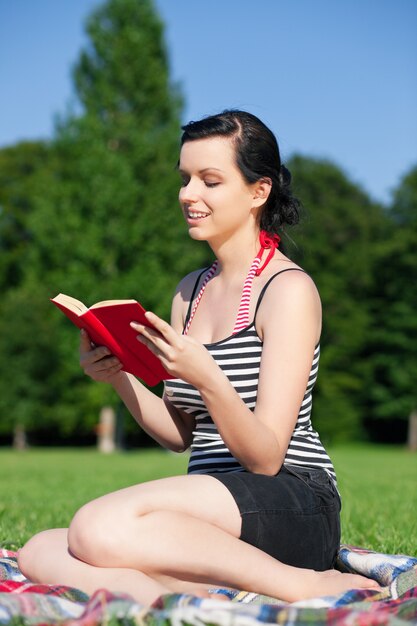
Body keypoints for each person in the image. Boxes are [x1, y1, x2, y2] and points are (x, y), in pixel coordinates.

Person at [18, 110, 380, 605]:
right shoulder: (190, 292)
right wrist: (121, 375)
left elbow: (266, 456)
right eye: (185, 179)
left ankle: (301, 583)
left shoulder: (288, 290)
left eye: (210, 180)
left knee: (96, 527)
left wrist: (210, 378)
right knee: (40, 550)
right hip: (211, 509)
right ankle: (188, 602)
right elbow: (180, 434)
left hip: (292, 500)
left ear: (259, 191)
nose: (189, 194)